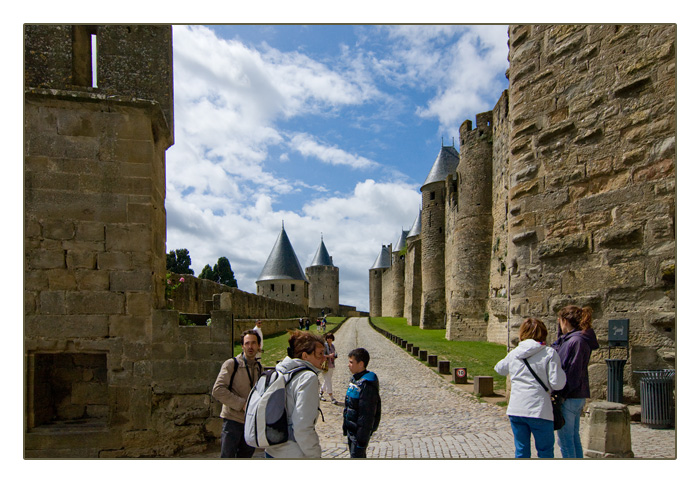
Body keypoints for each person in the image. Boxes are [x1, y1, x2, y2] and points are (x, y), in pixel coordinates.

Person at [494, 318, 566, 458]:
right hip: (539, 409)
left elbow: (499, 369)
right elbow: (557, 383)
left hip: (516, 408)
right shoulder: (549, 353)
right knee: (545, 451)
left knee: (521, 451)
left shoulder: (515, 353)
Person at [264, 331, 326, 458]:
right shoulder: (308, 378)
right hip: (292, 452)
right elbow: (302, 426)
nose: (324, 358)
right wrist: (315, 455)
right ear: (305, 356)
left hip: (271, 449)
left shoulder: (280, 371)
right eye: (320, 354)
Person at [551, 305, 599, 458]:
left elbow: (573, 371)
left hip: (570, 395)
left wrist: (561, 395)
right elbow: (558, 347)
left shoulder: (576, 341)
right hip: (575, 394)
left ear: (565, 321)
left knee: (565, 441)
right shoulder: (574, 339)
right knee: (572, 437)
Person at [212, 329, 263, 458]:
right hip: (232, 421)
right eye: (247, 343)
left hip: (251, 422)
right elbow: (218, 390)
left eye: (253, 343)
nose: (250, 347)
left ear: (258, 346)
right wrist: (242, 404)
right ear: (242, 346)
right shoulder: (231, 364)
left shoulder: (259, 368)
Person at [342, 348, 381, 458]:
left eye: (351, 362)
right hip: (352, 429)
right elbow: (349, 404)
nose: (348, 365)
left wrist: (362, 439)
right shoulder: (354, 379)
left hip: (358, 433)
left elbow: (367, 414)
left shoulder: (366, 384)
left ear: (361, 364)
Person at [319, 333, 339, 405]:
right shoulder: (325, 346)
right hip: (325, 365)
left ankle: (320, 393)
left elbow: (333, 354)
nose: (329, 339)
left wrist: (334, 356)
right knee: (328, 381)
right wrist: (329, 356)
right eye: (328, 338)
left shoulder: (332, 346)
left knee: (327, 380)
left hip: (331, 365)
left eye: (330, 338)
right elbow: (322, 355)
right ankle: (332, 397)